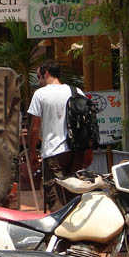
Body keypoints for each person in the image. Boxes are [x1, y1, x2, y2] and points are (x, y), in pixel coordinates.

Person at [27, 59, 85, 212]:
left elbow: (34, 127)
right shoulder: (77, 91)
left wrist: (32, 152)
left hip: (53, 153)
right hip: (76, 152)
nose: (39, 81)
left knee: (56, 197)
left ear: (46, 73)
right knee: (75, 194)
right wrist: (89, 150)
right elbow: (86, 123)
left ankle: (60, 232)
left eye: (39, 76)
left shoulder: (40, 94)